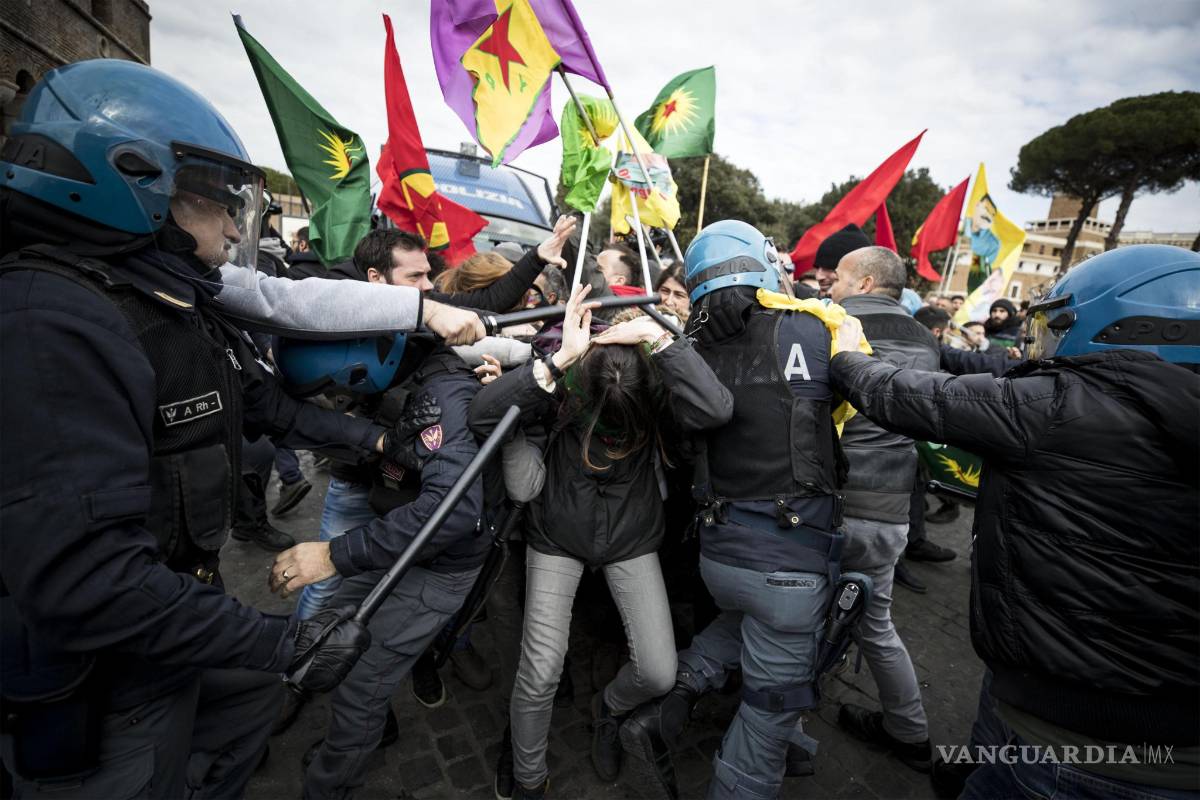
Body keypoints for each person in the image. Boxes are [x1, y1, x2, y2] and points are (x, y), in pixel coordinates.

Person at [0, 59, 415, 797]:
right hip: (108, 671)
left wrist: (373, 441)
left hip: (175, 610)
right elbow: (90, 581)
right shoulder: (52, 325)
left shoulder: (167, 299)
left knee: (250, 698)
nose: (232, 223)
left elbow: (260, 406)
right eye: (215, 201)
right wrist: (284, 641)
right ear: (137, 183)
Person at [829, 245, 1200, 799]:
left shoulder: (1065, 404)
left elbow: (897, 393)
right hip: (1140, 718)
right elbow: (993, 370)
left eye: (1055, 324)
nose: (1040, 341)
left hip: (1075, 741)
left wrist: (838, 349)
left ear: (1119, 323)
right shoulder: (1134, 396)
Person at [623, 221, 861, 800]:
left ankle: (664, 708)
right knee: (770, 709)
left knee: (747, 624)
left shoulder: (687, 351)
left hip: (720, 555)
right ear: (764, 268)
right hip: (791, 558)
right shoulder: (812, 326)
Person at [469, 285, 732, 799]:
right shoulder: (563, 381)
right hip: (557, 536)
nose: (611, 425)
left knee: (658, 673)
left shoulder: (658, 393)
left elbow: (715, 408)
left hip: (631, 537)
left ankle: (608, 711)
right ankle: (527, 775)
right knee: (540, 671)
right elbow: (483, 415)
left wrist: (660, 339)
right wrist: (561, 357)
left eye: (623, 412)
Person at [826, 246, 937, 771]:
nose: (829, 286)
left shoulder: (833, 324)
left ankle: (775, 727)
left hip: (831, 503)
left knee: (786, 617)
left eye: (840, 278)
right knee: (876, 624)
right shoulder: (927, 339)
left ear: (866, 283)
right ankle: (910, 730)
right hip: (892, 512)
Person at [812, 224, 871, 298]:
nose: (818, 277)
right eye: (817, 268)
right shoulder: (807, 306)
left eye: (829, 268)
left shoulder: (881, 308)